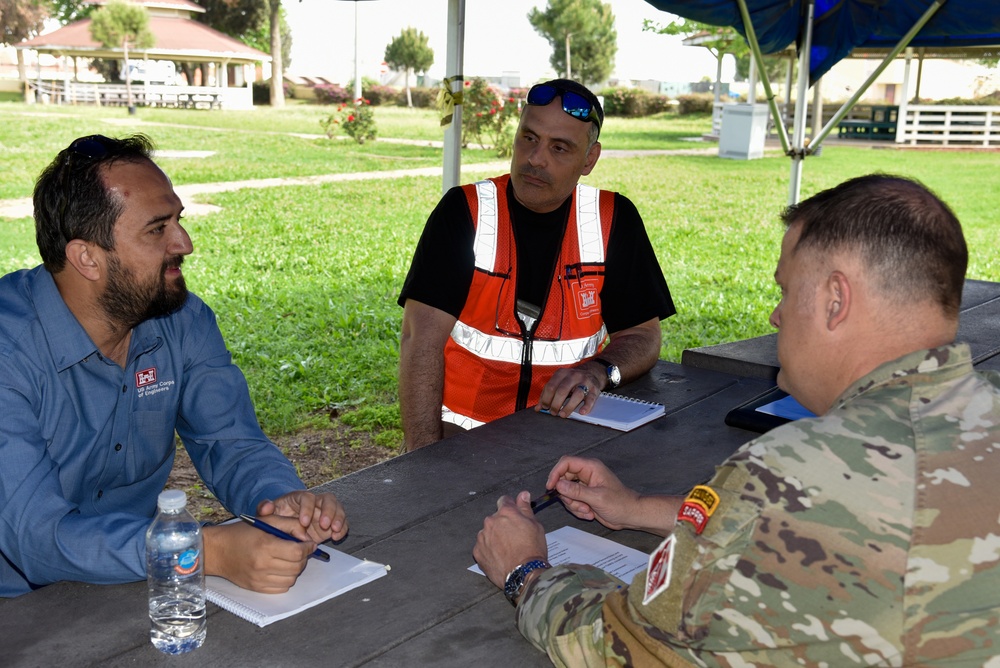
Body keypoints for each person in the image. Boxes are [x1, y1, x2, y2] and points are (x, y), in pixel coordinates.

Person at [474, 174, 1000, 665]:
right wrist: (636, 508)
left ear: (836, 300)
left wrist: (527, 573)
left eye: (786, 292)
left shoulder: (791, 470)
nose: (775, 316)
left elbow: (626, 648)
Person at [0, 134, 348, 598]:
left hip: (133, 577)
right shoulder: (10, 351)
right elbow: (35, 538)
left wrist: (279, 498)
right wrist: (205, 550)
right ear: (86, 257)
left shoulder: (182, 321)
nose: (184, 242)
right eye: (157, 228)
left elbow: (231, 442)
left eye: (178, 221)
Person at [398, 79, 675, 450]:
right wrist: (423, 460)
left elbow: (643, 336)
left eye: (559, 148)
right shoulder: (466, 211)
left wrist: (597, 372)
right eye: (529, 138)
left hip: (568, 441)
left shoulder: (612, 218)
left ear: (589, 159)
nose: (536, 158)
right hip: (461, 441)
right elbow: (420, 342)